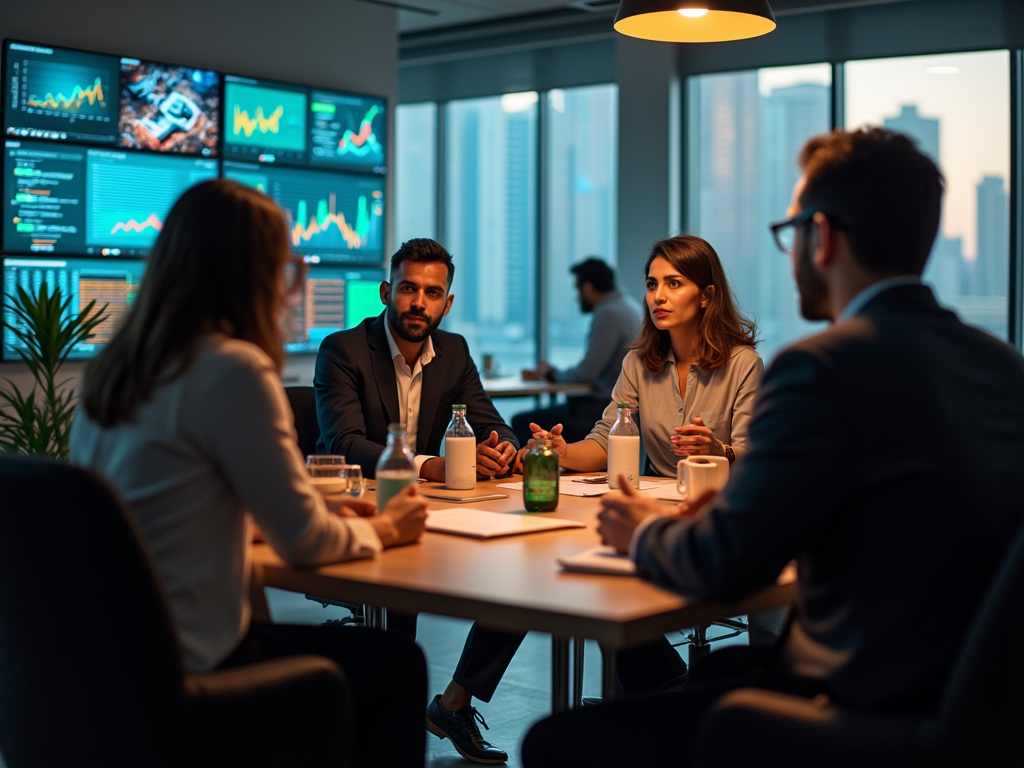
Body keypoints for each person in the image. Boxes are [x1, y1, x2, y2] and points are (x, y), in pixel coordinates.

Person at [521, 127, 1024, 768]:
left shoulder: (822, 367)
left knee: (552, 742)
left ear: (824, 237)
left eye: (790, 232)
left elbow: (730, 565)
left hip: (853, 706)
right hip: (967, 714)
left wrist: (642, 532)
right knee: (721, 666)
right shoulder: (1005, 367)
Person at [70, 180, 430, 768]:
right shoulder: (233, 369)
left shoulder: (114, 371)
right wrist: (386, 530)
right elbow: (306, 543)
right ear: (253, 272)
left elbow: (161, 510)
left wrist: (283, 517)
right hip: (190, 666)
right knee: (395, 663)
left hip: (106, 666)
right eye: (287, 263)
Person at [517, 235, 765, 695]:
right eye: (652, 284)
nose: (659, 296)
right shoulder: (638, 363)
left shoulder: (743, 365)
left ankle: (668, 701)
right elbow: (607, 438)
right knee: (599, 587)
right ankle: (665, 695)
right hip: (652, 510)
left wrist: (721, 450)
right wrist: (563, 452)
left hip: (713, 519)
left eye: (674, 283)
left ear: (706, 295)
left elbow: (757, 456)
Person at [314, 237, 524, 765]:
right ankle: (384, 736)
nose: (419, 302)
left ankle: (454, 702)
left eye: (433, 293)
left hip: (442, 511)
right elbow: (343, 442)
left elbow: (491, 422)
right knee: (400, 597)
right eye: (408, 288)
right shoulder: (343, 350)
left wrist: (502, 451)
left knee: (524, 572)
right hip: (368, 508)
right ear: (387, 291)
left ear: (447, 303)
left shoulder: (453, 351)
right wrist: (435, 463)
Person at [514, 258, 642, 445]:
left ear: (588, 288)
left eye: (577, 289)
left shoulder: (608, 313)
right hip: (618, 407)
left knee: (522, 422)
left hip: (603, 408)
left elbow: (587, 374)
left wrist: (551, 374)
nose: (577, 297)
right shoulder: (630, 307)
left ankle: (538, 472)